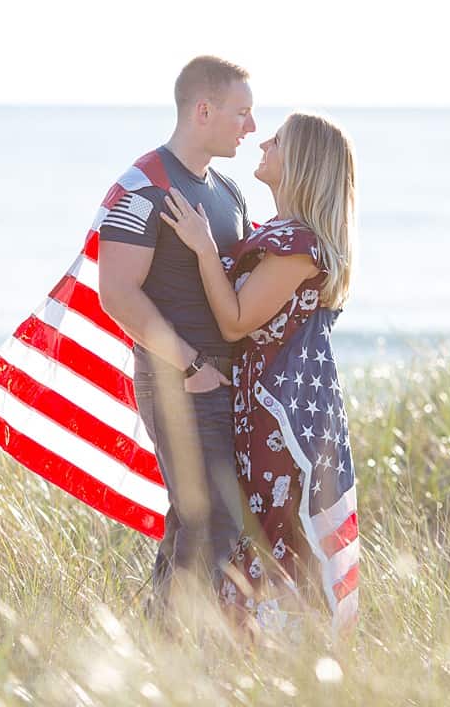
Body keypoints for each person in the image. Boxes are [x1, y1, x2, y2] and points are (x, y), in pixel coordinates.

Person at [160, 112, 360, 641]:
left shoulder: (298, 246)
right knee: (256, 528)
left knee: (269, 533)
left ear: (301, 162)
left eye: (278, 140)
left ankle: (272, 651)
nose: (263, 142)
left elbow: (234, 322)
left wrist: (204, 247)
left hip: (277, 421)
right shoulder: (279, 233)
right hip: (258, 410)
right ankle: (261, 650)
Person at [96, 56, 256, 623]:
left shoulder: (228, 192)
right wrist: (190, 365)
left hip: (223, 382)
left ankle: (158, 654)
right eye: (242, 113)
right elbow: (115, 292)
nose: (251, 127)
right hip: (178, 378)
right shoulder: (147, 184)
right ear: (203, 110)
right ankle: (171, 648)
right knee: (211, 518)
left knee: (199, 519)